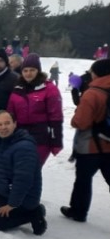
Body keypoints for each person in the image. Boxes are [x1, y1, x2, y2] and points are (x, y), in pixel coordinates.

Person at [0, 110, 46, 235]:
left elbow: (23, 180)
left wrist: (12, 204)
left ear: (14, 124)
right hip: (5, 191)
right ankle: (3, 213)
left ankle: (34, 213)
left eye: (7, 123)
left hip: (23, 198)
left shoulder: (24, 147)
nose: (3, 127)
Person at [60, 59, 110, 223]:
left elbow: (80, 122)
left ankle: (78, 212)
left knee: (83, 180)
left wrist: (75, 116)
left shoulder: (93, 92)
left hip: (91, 146)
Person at [6, 54, 63, 166]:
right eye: (25, 70)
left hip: (40, 136)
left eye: (32, 70)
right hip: (20, 135)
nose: (28, 73)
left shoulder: (49, 89)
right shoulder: (17, 88)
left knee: (32, 169)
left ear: (38, 70)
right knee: (20, 170)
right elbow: (10, 113)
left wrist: (56, 141)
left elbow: (56, 116)